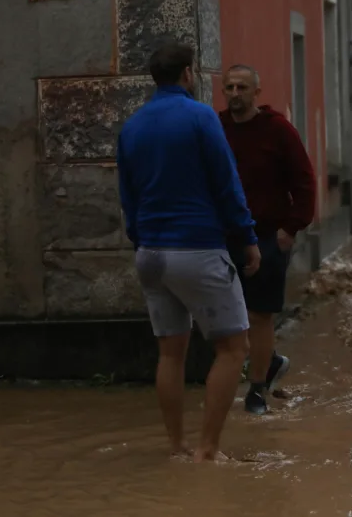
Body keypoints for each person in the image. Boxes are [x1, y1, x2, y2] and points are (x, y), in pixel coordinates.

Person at [117, 43, 262, 463]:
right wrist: (247, 238)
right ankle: (208, 450)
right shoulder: (200, 117)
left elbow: (128, 195)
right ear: (187, 73)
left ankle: (177, 447)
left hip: (150, 253)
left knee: (170, 353)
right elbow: (226, 182)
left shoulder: (133, 126)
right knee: (234, 348)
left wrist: (140, 239)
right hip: (197, 247)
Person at [219, 64, 317, 415]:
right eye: (229, 87)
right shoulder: (217, 129)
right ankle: (269, 360)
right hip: (225, 235)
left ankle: (257, 389)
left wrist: (291, 228)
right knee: (229, 315)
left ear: (256, 92)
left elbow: (304, 181)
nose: (234, 93)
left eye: (242, 87)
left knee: (260, 314)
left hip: (267, 235)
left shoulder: (278, 130)